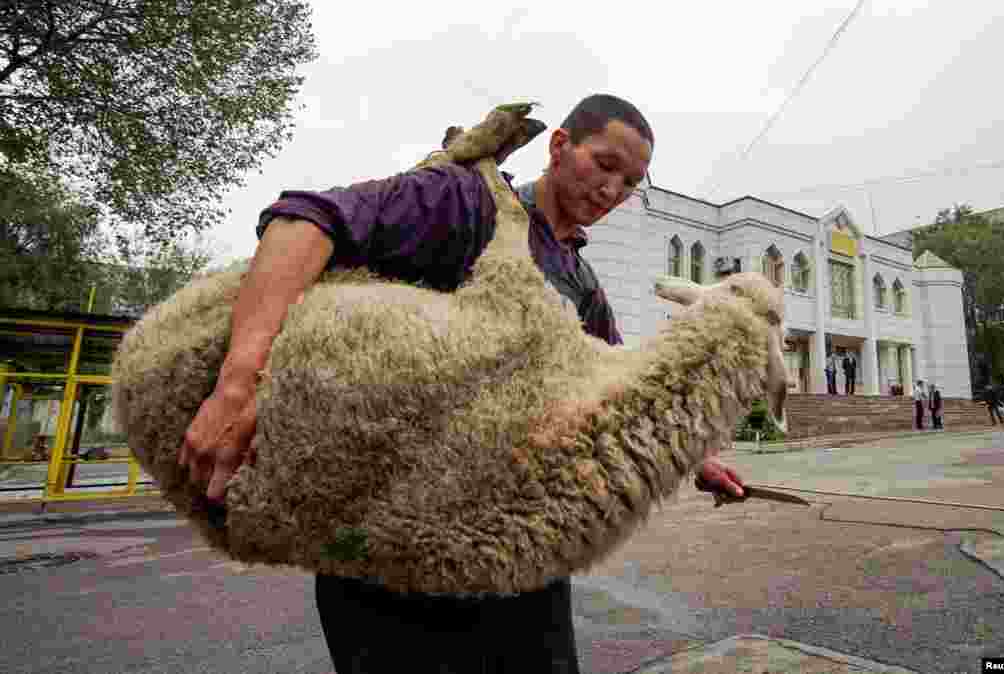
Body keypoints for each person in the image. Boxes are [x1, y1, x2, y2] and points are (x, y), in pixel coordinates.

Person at [175, 94, 747, 674]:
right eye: (604, 164)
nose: (612, 190)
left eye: (630, 183)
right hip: (385, 556)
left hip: (514, 554)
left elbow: (614, 381)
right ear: (559, 147)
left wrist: (694, 458)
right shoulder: (467, 202)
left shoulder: (579, 279)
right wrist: (240, 382)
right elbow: (304, 219)